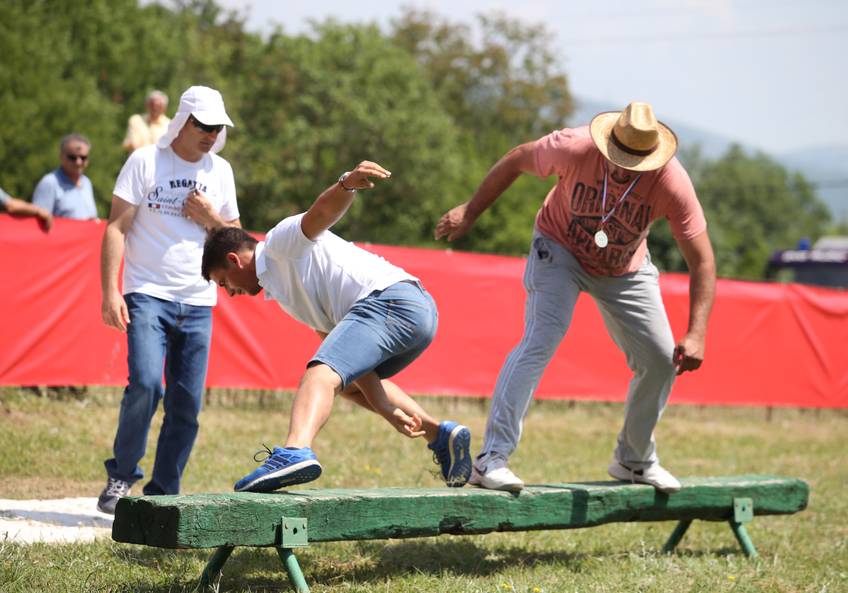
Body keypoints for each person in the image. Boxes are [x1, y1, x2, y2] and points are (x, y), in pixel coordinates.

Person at [435, 101, 716, 494]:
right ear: (606, 145)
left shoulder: (672, 182)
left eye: (635, 164)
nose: (623, 170)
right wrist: (471, 211)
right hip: (559, 250)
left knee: (659, 358)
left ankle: (633, 461)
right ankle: (491, 459)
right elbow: (517, 158)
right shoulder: (572, 146)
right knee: (541, 340)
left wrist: (697, 332)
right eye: (618, 159)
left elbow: (702, 260)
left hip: (625, 268)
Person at [201, 161, 472, 493]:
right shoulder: (287, 294)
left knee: (318, 374)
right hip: (417, 314)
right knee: (345, 383)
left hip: (392, 301)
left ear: (234, 260)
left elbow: (320, 214)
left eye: (224, 283)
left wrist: (347, 184)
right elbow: (352, 364)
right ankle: (440, 436)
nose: (230, 293)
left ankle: (295, 450)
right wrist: (385, 409)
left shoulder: (278, 245)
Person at [97, 86, 241, 514]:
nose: (211, 134)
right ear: (182, 121)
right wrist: (110, 291)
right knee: (145, 383)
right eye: (204, 125)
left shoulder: (221, 171)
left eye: (218, 128)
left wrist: (210, 218)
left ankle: (163, 494)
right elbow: (115, 229)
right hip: (147, 294)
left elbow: (236, 241)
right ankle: (123, 473)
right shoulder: (145, 160)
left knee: (187, 404)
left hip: (199, 300)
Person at [32, 134, 98, 220]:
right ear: (61, 157)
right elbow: (38, 222)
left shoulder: (87, 182)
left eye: (83, 157)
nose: (78, 162)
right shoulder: (50, 182)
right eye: (72, 157)